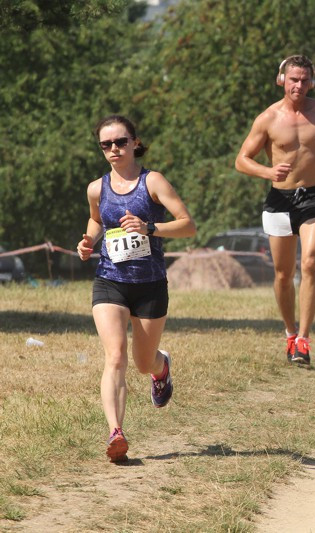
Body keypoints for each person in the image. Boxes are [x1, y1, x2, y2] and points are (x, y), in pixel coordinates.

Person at [77, 115, 196, 462]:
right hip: (110, 280)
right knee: (114, 356)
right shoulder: (96, 188)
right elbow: (97, 220)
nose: (113, 149)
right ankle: (116, 432)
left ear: (134, 142)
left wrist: (150, 227)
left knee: (143, 363)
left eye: (120, 142)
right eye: (106, 145)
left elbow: (188, 226)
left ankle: (162, 368)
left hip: (150, 285)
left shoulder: (153, 181)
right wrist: (87, 241)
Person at [235, 55, 315, 365]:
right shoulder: (268, 118)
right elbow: (242, 159)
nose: (299, 85)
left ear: (312, 82)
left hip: (314, 196)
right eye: (293, 79)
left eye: (304, 79)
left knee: (311, 262)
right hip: (279, 199)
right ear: (281, 81)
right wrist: (268, 172)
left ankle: (303, 338)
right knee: (283, 274)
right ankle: (289, 333)